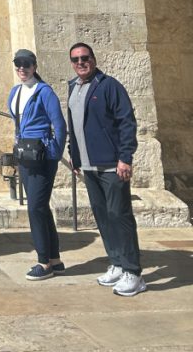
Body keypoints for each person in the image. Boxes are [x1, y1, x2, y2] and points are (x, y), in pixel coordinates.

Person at [67, 42, 146, 297]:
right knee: (102, 216)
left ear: (94, 58)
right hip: (88, 167)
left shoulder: (109, 86)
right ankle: (117, 262)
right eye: (76, 59)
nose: (81, 63)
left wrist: (125, 157)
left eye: (85, 58)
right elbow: (74, 126)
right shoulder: (73, 88)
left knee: (119, 216)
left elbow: (126, 122)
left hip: (112, 165)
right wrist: (75, 158)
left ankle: (133, 272)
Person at [7, 48, 66, 280]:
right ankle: (55, 259)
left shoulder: (44, 92)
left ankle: (43, 262)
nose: (22, 68)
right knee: (39, 207)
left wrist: (54, 153)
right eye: (18, 64)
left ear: (34, 66)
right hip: (25, 156)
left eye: (26, 64)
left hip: (42, 157)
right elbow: (16, 124)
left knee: (35, 208)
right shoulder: (15, 92)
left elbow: (59, 126)